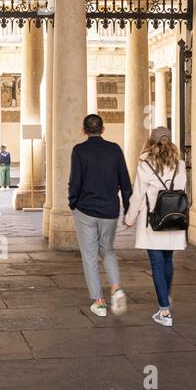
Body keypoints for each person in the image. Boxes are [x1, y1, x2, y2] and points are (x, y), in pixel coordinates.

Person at [68, 113, 132, 317]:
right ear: (103, 129)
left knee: (89, 256)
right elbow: (125, 181)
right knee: (108, 250)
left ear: (84, 130)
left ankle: (99, 302)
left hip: (86, 209)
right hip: (110, 210)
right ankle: (115, 287)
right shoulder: (115, 150)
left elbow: (75, 180)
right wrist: (128, 207)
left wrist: (73, 202)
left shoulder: (79, 150)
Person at [124, 126, 188, 327]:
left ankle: (165, 312)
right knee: (168, 261)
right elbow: (182, 190)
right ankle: (166, 299)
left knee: (158, 265)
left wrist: (130, 218)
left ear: (151, 142)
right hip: (174, 218)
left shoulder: (146, 165)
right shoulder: (180, 164)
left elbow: (138, 195)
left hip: (153, 220)